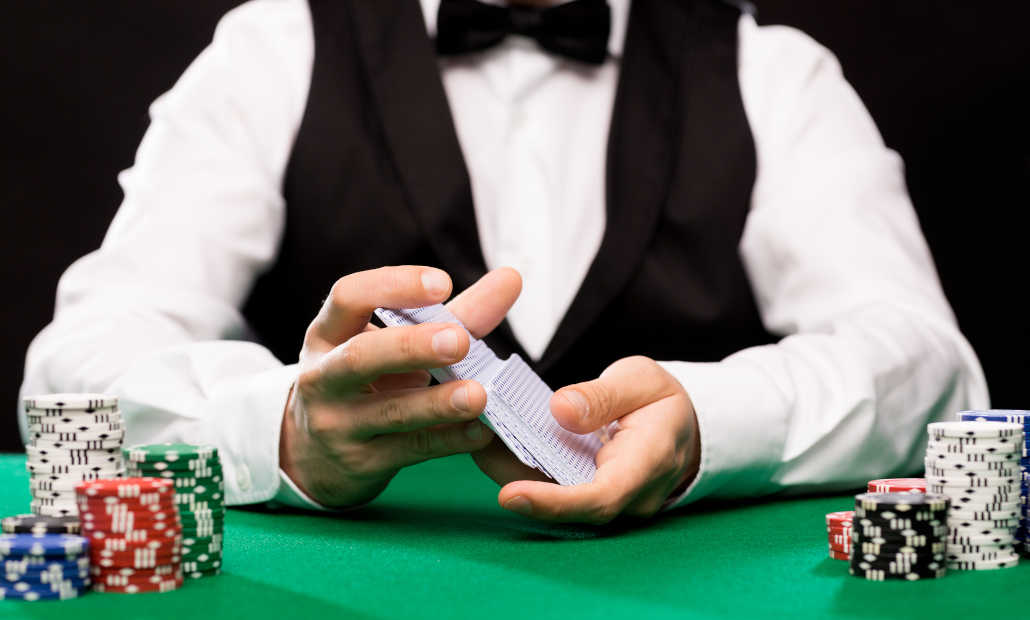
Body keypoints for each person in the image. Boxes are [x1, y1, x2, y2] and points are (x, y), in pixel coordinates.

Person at [21, 0, 988, 524]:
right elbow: (76, 365)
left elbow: (930, 366)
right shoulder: (272, 49)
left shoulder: (771, 70)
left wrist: (716, 421)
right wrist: (275, 426)